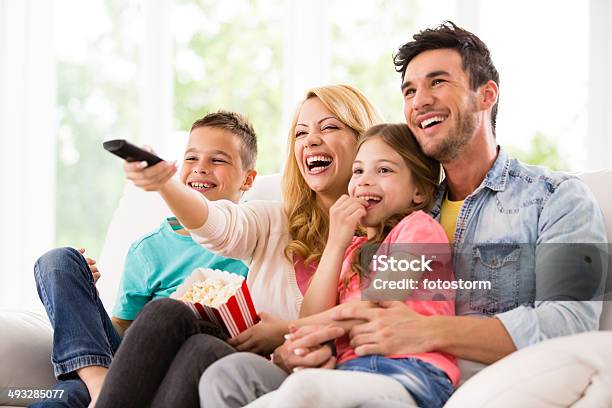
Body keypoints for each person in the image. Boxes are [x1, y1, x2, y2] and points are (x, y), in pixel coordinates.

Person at [199, 21, 607, 407]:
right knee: (229, 378)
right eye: (409, 91)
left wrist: (428, 330)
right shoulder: (393, 208)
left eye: (438, 82)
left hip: (451, 380)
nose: (420, 100)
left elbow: (568, 322)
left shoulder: (555, 198)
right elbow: (355, 308)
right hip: (357, 367)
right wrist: (301, 342)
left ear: (486, 95)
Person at [94, 84, 383, 408]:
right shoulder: (274, 220)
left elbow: (386, 324)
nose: (311, 140)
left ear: (365, 141)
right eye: (301, 133)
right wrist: (165, 183)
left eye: (329, 127)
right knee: (170, 315)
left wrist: (289, 331)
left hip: (302, 374)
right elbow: (217, 225)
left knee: (205, 350)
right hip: (251, 362)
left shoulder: (395, 232)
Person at [31, 110, 256, 408]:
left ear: (249, 179)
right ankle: (98, 382)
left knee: (70, 397)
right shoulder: (149, 249)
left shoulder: (255, 238)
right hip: (131, 363)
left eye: (218, 160)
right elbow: (124, 327)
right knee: (59, 261)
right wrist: (85, 296)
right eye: (191, 158)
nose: (200, 168)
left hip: (193, 361)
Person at [243, 123, 457, 408]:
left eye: (384, 170)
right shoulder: (352, 250)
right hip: (353, 373)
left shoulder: (419, 230)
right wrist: (336, 243)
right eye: (358, 170)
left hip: (410, 372)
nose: (364, 181)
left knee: (304, 389)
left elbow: (374, 310)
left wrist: (284, 328)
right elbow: (314, 315)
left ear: (419, 191)